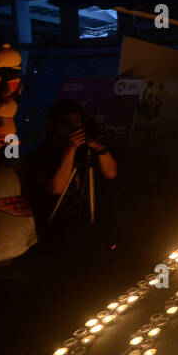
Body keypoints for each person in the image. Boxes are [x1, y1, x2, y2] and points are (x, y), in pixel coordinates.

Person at [24, 100, 119, 247]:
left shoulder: (90, 150)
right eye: (66, 123)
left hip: (91, 229)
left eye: (77, 122)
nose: (73, 127)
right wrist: (70, 150)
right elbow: (55, 189)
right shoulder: (39, 156)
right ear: (52, 125)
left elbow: (111, 174)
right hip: (54, 231)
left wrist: (99, 148)